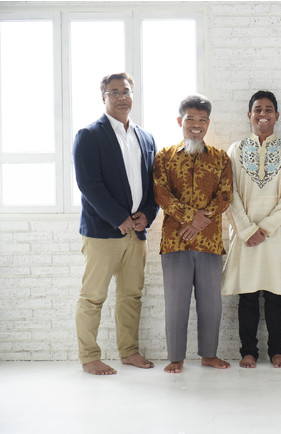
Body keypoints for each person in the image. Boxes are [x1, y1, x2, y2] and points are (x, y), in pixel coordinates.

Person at [72, 72, 158, 375]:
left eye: (126, 91)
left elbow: (153, 185)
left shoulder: (146, 138)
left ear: (133, 95)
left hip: (137, 233)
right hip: (102, 232)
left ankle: (129, 351)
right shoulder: (88, 135)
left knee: (131, 295)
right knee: (93, 297)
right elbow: (89, 183)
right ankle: (89, 357)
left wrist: (148, 213)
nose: (122, 97)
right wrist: (118, 218)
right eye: (114, 92)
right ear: (103, 97)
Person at [153, 94, 233, 373]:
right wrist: (191, 217)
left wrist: (199, 223)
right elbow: (161, 194)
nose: (196, 125)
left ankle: (209, 355)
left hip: (210, 243)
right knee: (176, 304)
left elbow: (225, 196)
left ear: (208, 123)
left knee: (211, 304)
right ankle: (176, 357)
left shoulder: (221, 158)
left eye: (202, 120)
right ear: (180, 121)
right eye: (190, 119)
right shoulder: (164, 157)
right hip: (175, 242)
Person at [222, 90, 281, 369]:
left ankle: (278, 351)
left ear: (277, 115)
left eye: (268, 109)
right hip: (244, 236)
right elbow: (229, 193)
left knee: (275, 296)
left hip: (276, 234)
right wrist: (246, 230)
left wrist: (265, 229)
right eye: (257, 109)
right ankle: (249, 352)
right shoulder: (235, 150)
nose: (263, 114)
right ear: (249, 115)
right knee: (247, 296)